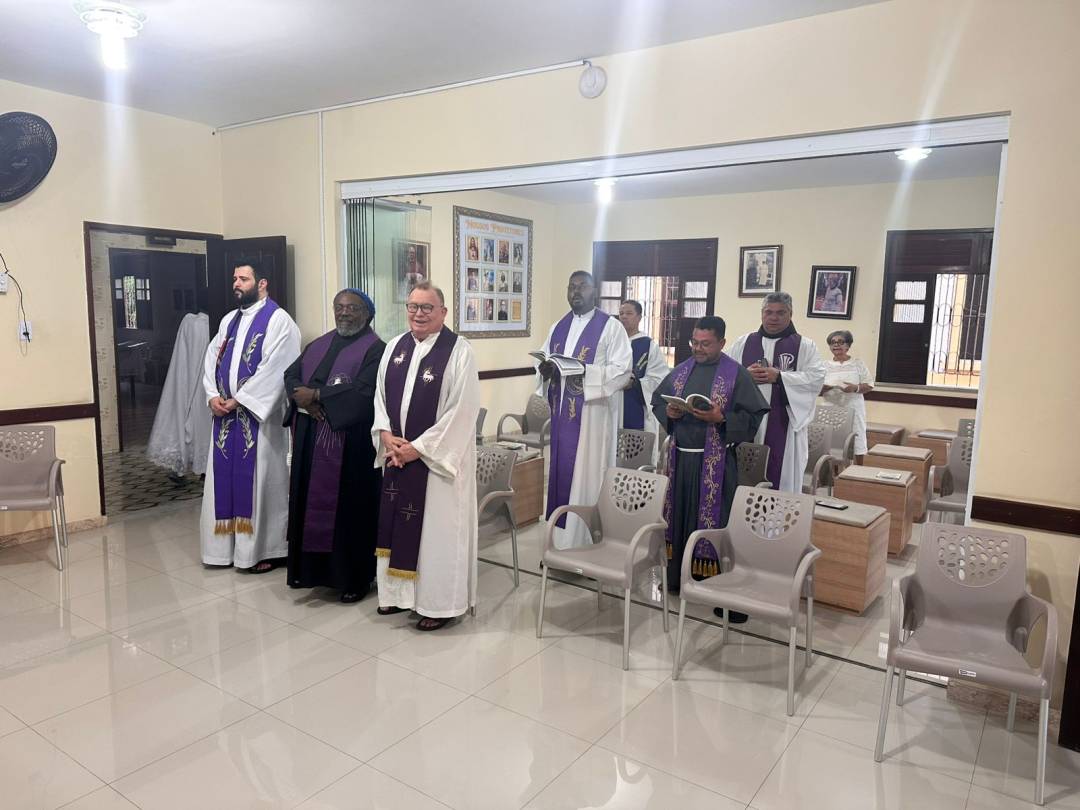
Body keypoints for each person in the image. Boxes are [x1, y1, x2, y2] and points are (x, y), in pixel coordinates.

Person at [372, 281, 480, 630]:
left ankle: (438, 605)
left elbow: (462, 411)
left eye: (427, 308)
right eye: (413, 306)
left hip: (436, 466)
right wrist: (386, 436)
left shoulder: (459, 351)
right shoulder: (394, 347)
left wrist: (417, 449)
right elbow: (379, 399)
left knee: (436, 535)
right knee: (397, 525)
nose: (418, 314)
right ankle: (398, 596)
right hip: (397, 458)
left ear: (443, 312)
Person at [651, 316, 769, 614]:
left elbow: (754, 417)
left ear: (722, 343)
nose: (698, 348)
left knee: (716, 521)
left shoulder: (735, 374)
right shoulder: (682, 370)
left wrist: (722, 418)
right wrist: (670, 413)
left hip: (716, 463)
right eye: (695, 342)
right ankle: (676, 577)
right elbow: (658, 402)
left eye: (706, 343)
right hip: (680, 460)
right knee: (678, 516)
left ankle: (713, 582)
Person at [284, 289, 385, 602]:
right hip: (310, 438)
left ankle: (355, 578)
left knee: (350, 512)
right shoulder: (318, 344)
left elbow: (364, 392)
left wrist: (316, 396)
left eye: (352, 308)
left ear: (367, 313)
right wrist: (305, 399)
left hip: (350, 445)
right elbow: (291, 375)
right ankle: (311, 573)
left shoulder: (376, 349)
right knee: (308, 505)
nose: (344, 313)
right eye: (339, 307)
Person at [200, 258, 301, 571]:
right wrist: (212, 395)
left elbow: (278, 367)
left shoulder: (279, 321)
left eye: (243, 279)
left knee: (262, 483)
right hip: (225, 418)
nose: (236, 284)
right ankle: (223, 550)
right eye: (235, 279)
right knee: (223, 482)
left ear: (262, 283)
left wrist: (241, 400)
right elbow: (211, 359)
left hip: (259, 421)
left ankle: (262, 551)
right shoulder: (229, 321)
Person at [536, 271, 632, 549]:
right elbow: (544, 359)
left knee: (587, 478)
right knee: (560, 475)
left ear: (594, 292)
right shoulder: (558, 327)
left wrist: (585, 372)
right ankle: (559, 544)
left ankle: (585, 544)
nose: (576, 292)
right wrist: (544, 370)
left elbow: (622, 371)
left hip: (592, 418)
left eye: (582, 287)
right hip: (562, 417)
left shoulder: (611, 327)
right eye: (571, 287)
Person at [726, 292, 826, 492]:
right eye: (768, 312)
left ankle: (780, 514)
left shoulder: (805, 346)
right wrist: (745, 375)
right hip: (747, 422)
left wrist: (780, 377)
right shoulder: (743, 343)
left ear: (790, 314)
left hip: (784, 424)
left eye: (781, 313)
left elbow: (816, 378)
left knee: (781, 479)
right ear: (761, 314)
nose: (774, 317)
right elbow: (724, 375)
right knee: (742, 481)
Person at [146, 308, 211, 478]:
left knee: (192, 415)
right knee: (196, 416)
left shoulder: (192, 323)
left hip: (200, 381)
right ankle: (196, 465)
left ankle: (198, 465)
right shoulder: (194, 323)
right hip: (202, 380)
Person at [616, 300, 670, 462]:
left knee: (634, 460)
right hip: (613, 405)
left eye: (629, 313)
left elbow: (660, 378)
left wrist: (637, 383)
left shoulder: (648, 345)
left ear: (639, 317)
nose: (624, 317)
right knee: (612, 457)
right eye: (621, 313)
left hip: (636, 405)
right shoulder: (612, 342)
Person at [821, 329, 874, 462]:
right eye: (833, 342)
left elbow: (869, 385)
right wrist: (825, 388)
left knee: (857, 439)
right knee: (829, 441)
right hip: (830, 409)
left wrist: (855, 388)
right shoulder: (823, 366)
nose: (836, 345)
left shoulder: (858, 363)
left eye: (840, 342)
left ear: (848, 345)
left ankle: (858, 470)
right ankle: (830, 471)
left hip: (853, 408)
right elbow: (815, 389)